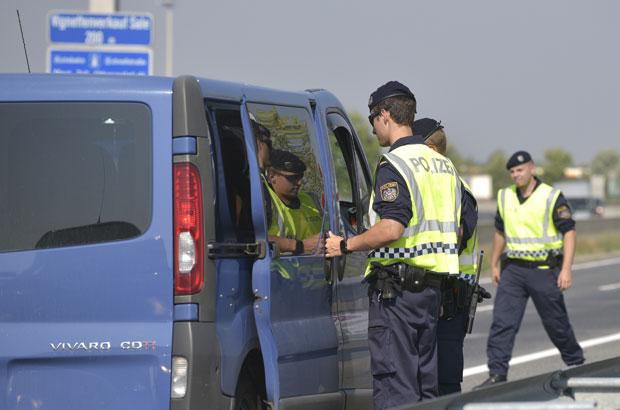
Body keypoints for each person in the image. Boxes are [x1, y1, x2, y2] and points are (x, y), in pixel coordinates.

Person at [325, 81, 463, 409]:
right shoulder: (446, 167)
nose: (373, 130)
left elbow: (390, 228)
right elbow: (455, 233)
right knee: (424, 386)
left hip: (397, 296)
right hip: (431, 293)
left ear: (385, 115)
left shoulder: (395, 164)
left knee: (395, 389)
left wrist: (345, 244)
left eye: (373, 120)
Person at [477, 151, 585, 387]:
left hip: (544, 270)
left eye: (520, 170)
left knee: (556, 324)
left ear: (532, 169)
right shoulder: (505, 196)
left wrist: (566, 269)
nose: (516, 175)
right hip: (513, 271)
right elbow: (499, 232)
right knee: (502, 322)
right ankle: (497, 374)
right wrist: (493, 263)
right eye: (512, 172)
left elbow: (569, 232)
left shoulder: (551, 196)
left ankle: (576, 364)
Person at [413, 118, 490, 395]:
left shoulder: (456, 187)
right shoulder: (433, 185)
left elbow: (455, 238)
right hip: (429, 291)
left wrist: (440, 290)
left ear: (431, 149)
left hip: (450, 294)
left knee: (443, 378)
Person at [266, 149, 322, 255]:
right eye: (293, 178)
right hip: (279, 270)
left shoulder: (311, 200)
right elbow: (253, 239)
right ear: (272, 176)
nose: (299, 182)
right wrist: (299, 246)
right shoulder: (264, 201)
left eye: (301, 177)